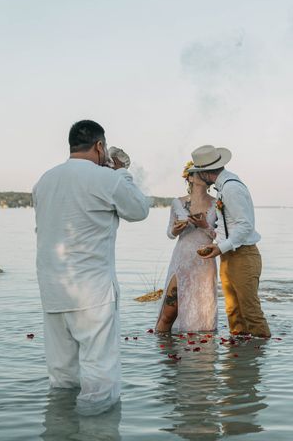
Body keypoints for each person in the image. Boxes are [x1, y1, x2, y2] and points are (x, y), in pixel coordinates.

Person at [32, 120, 149, 415]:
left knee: (62, 376)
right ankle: (98, 432)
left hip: (53, 288)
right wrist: (121, 169)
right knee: (100, 377)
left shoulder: (44, 180)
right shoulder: (106, 178)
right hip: (92, 292)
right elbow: (139, 209)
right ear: (100, 146)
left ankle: (61, 429)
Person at [191, 145, 271, 338]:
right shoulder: (224, 186)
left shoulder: (232, 188)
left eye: (197, 173)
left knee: (250, 311)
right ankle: (240, 360)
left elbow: (245, 226)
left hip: (243, 255)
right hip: (231, 255)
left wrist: (220, 248)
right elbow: (229, 225)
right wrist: (217, 244)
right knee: (234, 311)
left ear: (205, 173)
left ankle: (258, 357)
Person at [155, 161, 218, 333]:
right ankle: (164, 356)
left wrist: (205, 225)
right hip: (181, 260)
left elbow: (222, 237)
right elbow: (169, 233)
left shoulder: (217, 204)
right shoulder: (177, 203)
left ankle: (200, 357)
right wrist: (175, 229)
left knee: (202, 316)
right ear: (189, 177)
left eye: (205, 172)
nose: (203, 175)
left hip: (204, 262)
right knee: (168, 314)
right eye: (198, 172)